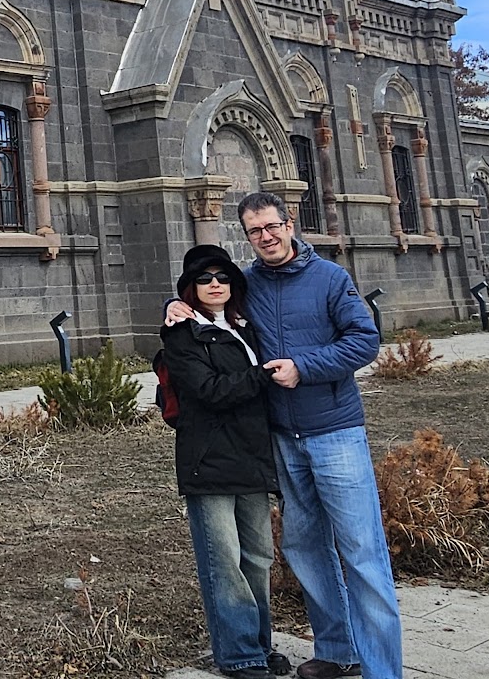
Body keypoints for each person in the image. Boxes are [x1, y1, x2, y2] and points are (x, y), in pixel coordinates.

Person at [167, 193, 401, 679]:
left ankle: (384, 671)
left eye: (272, 226)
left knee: (361, 552)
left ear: (290, 223)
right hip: (281, 438)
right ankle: (338, 652)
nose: (266, 237)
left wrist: (305, 368)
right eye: (255, 231)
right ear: (246, 236)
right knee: (304, 549)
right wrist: (173, 303)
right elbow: (208, 298)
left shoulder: (330, 278)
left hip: (334, 431)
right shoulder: (245, 284)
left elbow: (364, 341)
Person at [160, 243, 287, 679]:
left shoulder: (244, 327)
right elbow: (209, 390)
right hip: (209, 459)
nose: (215, 284)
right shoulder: (182, 334)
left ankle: (260, 645)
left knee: (257, 557)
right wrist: (264, 375)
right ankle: (238, 654)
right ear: (189, 288)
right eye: (204, 278)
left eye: (222, 277)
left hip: (251, 455)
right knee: (224, 561)